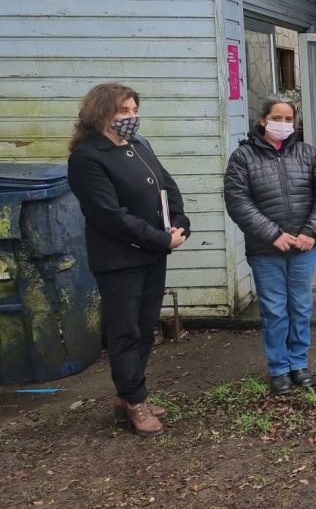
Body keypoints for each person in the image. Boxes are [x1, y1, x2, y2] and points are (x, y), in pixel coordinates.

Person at [68, 83, 191, 437]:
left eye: (134, 110)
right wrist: (159, 239)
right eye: (123, 111)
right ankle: (135, 402)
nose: (131, 118)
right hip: (120, 260)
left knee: (146, 326)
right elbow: (109, 215)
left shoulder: (139, 147)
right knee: (125, 331)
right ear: (101, 113)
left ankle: (129, 394)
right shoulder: (88, 157)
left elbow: (166, 188)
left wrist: (180, 223)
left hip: (154, 253)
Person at [224, 95, 316, 395]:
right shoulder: (243, 157)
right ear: (262, 120)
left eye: (289, 119)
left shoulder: (307, 154)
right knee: (274, 310)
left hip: (304, 246)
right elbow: (238, 201)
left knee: (300, 306)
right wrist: (273, 234)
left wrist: (311, 231)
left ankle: (299, 363)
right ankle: (279, 368)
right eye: (277, 118)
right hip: (265, 249)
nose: (283, 124)